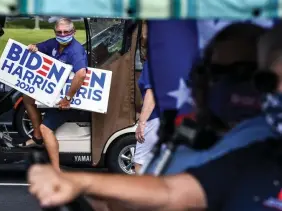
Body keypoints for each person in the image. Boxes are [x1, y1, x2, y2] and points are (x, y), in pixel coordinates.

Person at [27, 23, 282, 210]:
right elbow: (170, 192)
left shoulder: (256, 139)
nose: (238, 87)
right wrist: (79, 183)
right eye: (221, 75)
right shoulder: (252, 151)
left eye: (254, 77)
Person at [146, 22, 277, 175]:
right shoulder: (177, 160)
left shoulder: (273, 158)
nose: (228, 84)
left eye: (244, 72)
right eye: (218, 72)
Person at [18, 18, 88, 171]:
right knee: (27, 97)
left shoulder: (75, 50)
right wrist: (33, 48)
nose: (63, 35)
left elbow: (81, 74)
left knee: (46, 128)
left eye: (66, 32)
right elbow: (40, 47)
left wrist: (67, 99)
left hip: (70, 100)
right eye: (59, 32)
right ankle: (37, 137)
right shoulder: (55, 44)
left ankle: (56, 171)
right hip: (54, 93)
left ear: (73, 32)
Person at [133, 60, 161, 173]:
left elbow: (151, 93)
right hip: (172, 117)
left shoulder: (153, 62)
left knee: (140, 164)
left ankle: (142, 190)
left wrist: (142, 122)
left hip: (154, 118)